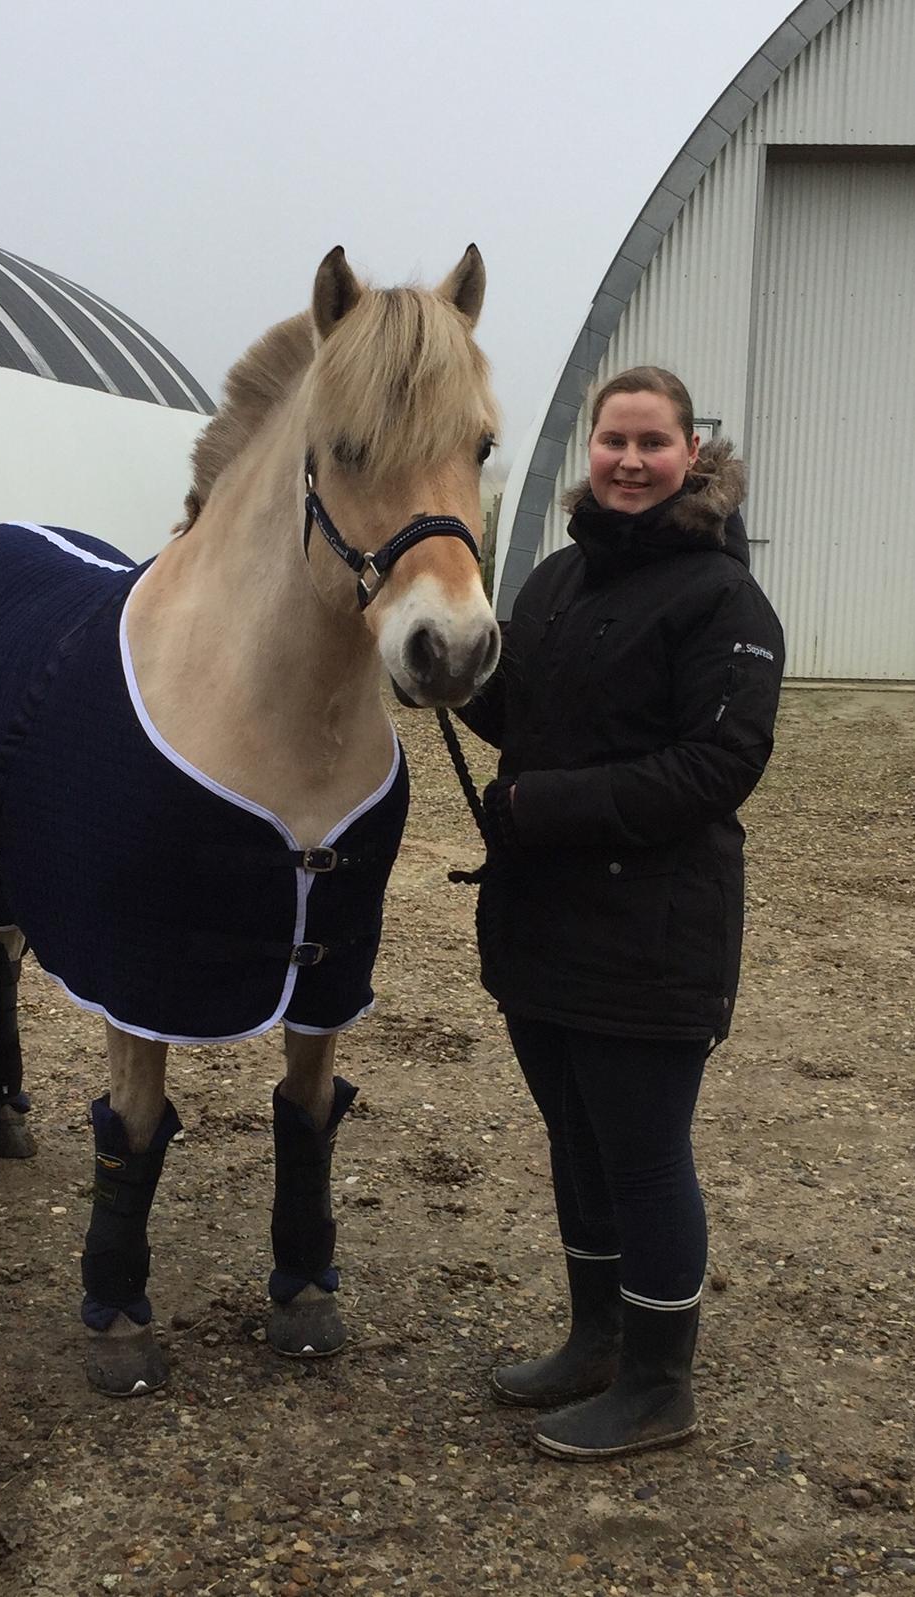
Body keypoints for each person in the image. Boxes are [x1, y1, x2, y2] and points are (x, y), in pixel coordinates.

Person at [457, 366, 784, 1459]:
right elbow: (529, 713)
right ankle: (595, 1337)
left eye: (654, 442)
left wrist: (541, 806)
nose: (631, 461)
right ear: (588, 451)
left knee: (643, 1158)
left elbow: (712, 768)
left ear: (694, 454)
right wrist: (453, 672)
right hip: (543, 925)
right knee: (577, 1143)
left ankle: (657, 1384)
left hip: (653, 934)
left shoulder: (724, 601)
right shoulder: (557, 582)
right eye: (614, 441)